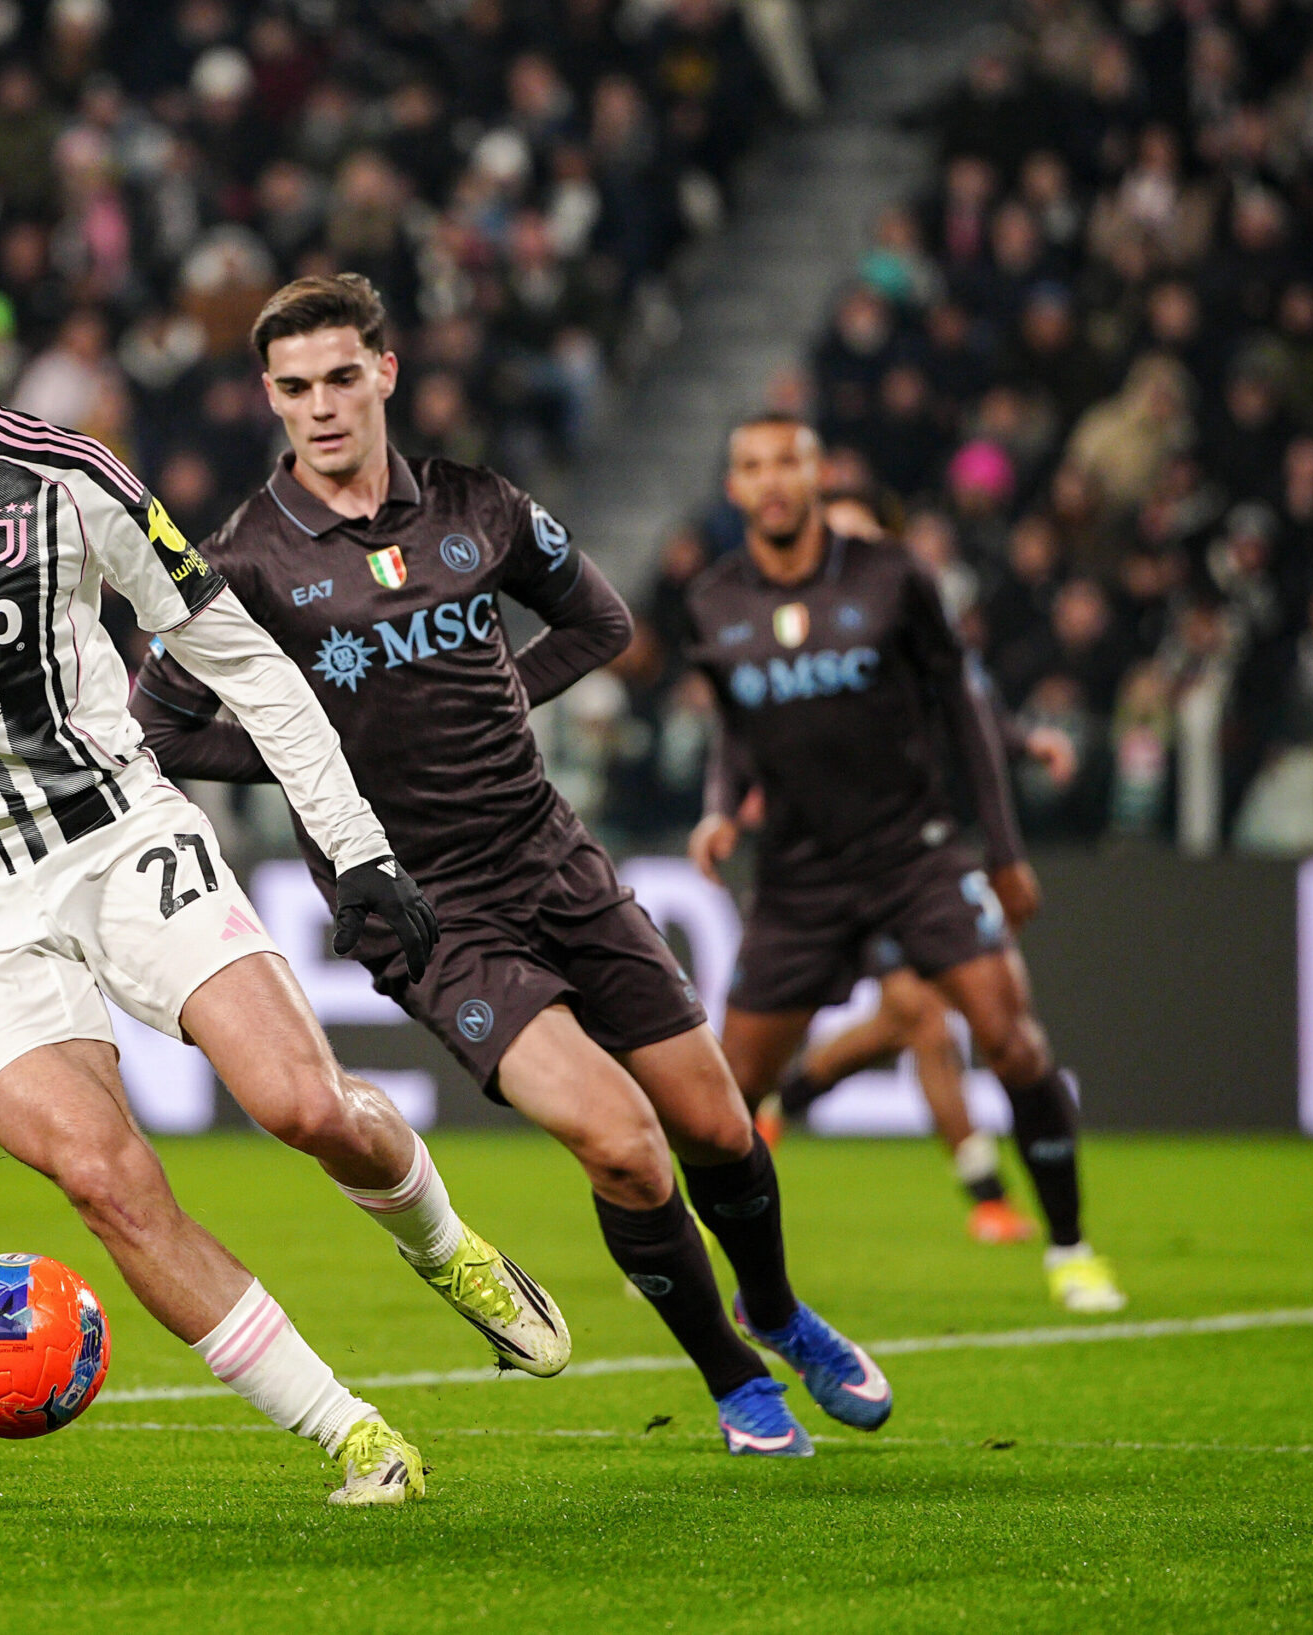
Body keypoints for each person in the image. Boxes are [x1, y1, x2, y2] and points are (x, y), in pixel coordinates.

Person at [0, 221, 568, 1508]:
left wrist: (357, 850)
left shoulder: (73, 480)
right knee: (103, 1177)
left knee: (302, 1105)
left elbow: (245, 662)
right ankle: (352, 1436)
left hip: (116, 837)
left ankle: (444, 1245)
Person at [133, 273, 887, 1459]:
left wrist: (501, 699)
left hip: (547, 849)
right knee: (623, 1145)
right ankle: (735, 1381)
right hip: (425, 906)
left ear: (384, 374)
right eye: (295, 387)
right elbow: (162, 728)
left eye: (341, 378)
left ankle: (776, 1308)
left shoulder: (478, 505)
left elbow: (600, 624)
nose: (321, 406)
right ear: (268, 398)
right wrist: (313, 763)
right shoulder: (246, 560)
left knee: (716, 1125)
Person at [686, 415, 1125, 1312]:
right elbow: (737, 724)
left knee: (1010, 1037)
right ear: (735, 487)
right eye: (754, 466)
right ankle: (723, 1267)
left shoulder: (894, 577)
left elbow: (963, 703)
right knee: (728, 1093)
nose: (772, 480)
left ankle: (1071, 1247)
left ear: (816, 475)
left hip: (914, 854)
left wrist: (1004, 852)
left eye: (788, 462)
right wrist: (721, 809)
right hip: (798, 876)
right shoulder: (714, 598)